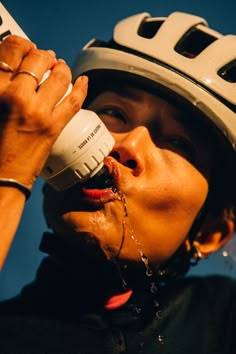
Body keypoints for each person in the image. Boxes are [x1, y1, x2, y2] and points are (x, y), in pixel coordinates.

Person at [0, 10, 235, 354]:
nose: (125, 146)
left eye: (179, 143)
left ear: (209, 233)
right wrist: (11, 169)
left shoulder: (223, 322)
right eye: (115, 113)